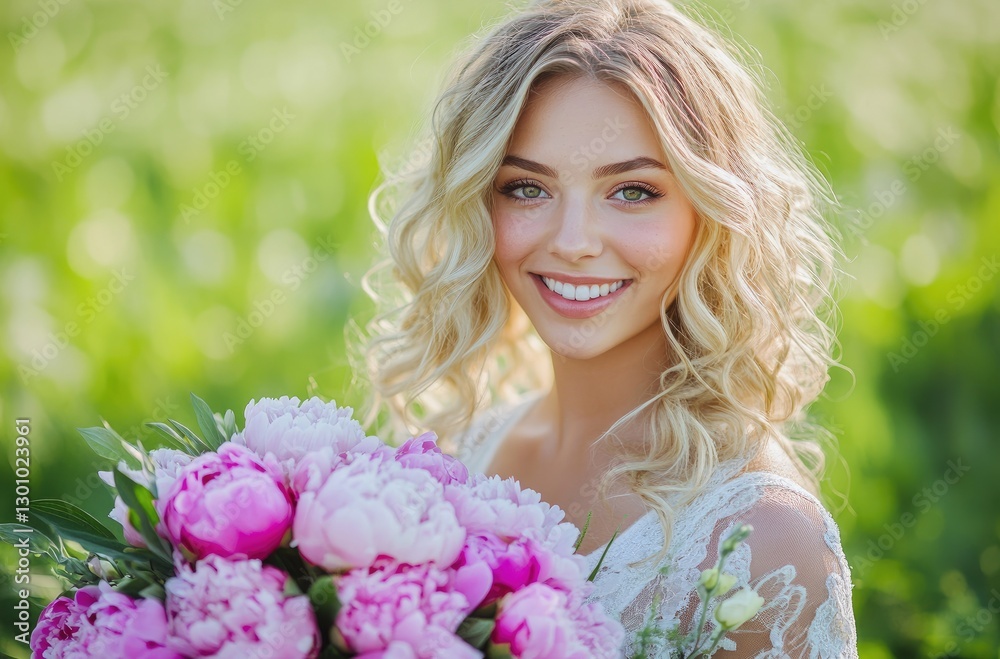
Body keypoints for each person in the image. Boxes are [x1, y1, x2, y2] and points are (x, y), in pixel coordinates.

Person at [354, 0, 858, 655]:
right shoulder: (459, 457)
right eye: (526, 188)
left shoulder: (764, 544)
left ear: (711, 212)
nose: (573, 242)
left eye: (632, 191)